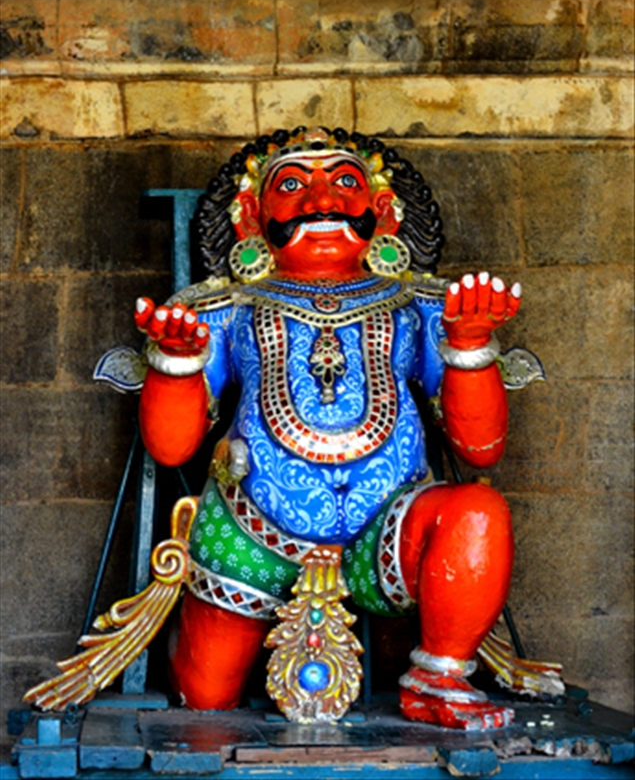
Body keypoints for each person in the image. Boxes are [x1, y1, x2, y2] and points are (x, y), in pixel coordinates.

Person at [131, 126, 521, 729]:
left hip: (389, 531)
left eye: (345, 182)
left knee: (479, 514)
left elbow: (481, 448)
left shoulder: (419, 306)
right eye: (291, 186)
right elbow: (170, 445)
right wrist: (178, 365)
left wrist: (468, 343)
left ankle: (438, 678)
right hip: (250, 531)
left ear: (382, 211)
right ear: (250, 217)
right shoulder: (227, 308)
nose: (321, 202)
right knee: (204, 703)